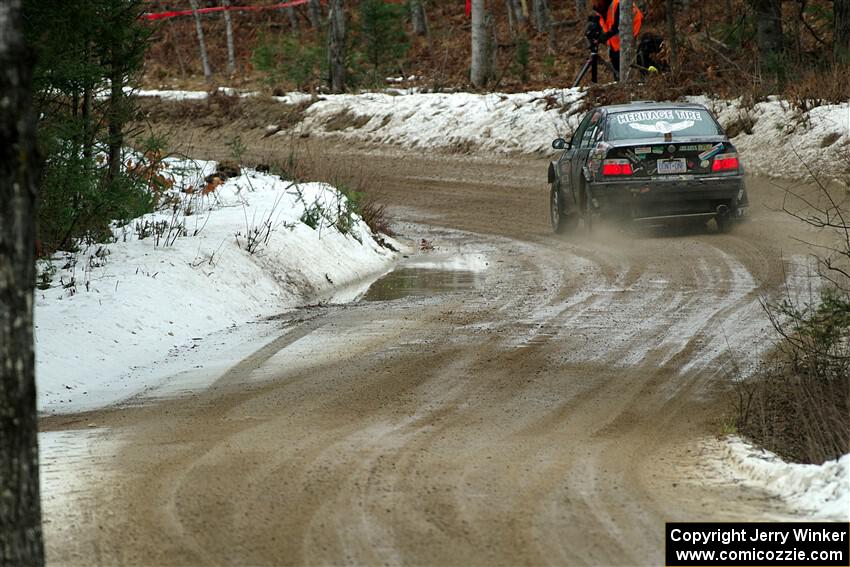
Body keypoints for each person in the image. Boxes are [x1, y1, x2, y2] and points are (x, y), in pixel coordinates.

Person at [592, 0, 643, 77]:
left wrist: (603, 37)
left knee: (630, 68)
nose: (594, 3)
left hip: (630, 38)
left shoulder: (618, 4)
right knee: (617, 69)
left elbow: (617, 27)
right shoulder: (600, 9)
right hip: (614, 44)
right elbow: (606, 26)